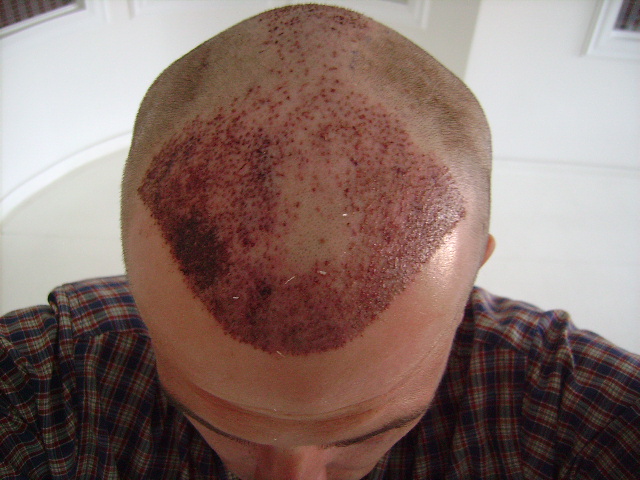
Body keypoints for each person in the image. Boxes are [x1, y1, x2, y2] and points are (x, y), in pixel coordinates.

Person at [1, 4, 638, 479]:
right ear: (134, 279)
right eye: (225, 429)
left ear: (474, 268)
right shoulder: (46, 387)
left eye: (362, 437)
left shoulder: (560, 408)